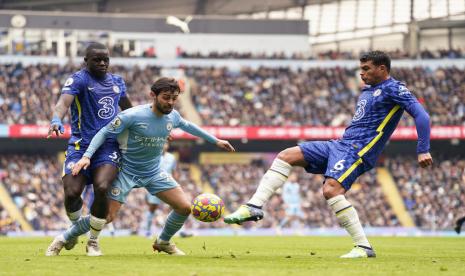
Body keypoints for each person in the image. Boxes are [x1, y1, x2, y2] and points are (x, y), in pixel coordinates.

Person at [224, 51, 433, 258]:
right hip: (340, 145)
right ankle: (253, 206)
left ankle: (363, 247)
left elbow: (421, 115)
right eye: (361, 69)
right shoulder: (367, 91)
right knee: (286, 155)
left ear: (382, 69)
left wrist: (423, 149)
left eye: (366, 69)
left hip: (357, 151)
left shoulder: (394, 88)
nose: (361, 73)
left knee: (331, 190)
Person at [46, 77, 235, 256]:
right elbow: (104, 132)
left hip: (153, 172)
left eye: (174, 99)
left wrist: (216, 141)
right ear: (153, 95)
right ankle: (63, 238)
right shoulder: (132, 116)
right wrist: (87, 156)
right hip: (126, 172)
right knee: (106, 217)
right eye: (166, 98)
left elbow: (189, 127)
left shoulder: (173, 117)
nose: (170, 102)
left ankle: (163, 242)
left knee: (184, 208)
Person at [46, 42, 132, 256]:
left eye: (106, 59)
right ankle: (75, 231)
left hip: (108, 147)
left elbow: (130, 111)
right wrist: (57, 119)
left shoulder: (117, 82)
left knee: (102, 188)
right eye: (97, 59)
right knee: (72, 192)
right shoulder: (79, 79)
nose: (103, 63)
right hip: (79, 145)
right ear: (86, 61)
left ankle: (93, 241)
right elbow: (63, 103)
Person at [144, 143, 192, 238]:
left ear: (168, 146)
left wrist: (176, 182)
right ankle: (148, 231)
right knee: (152, 208)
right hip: (155, 185)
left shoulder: (172, 157)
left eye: (165, 144)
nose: (164, 146)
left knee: (178, 207)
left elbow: (174, 171)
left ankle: (181, 231)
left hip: (168, 185)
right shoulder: (152, 156)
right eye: (162, 144)